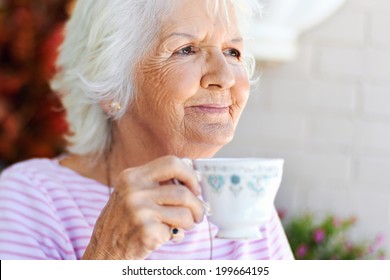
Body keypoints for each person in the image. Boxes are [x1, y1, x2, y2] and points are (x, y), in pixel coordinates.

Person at [0, 0, 294, 260]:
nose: (225, 76)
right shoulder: (29, 200)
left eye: (233, 51)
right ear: (111, 84)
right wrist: (109, 257)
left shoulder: (250, 203)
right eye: (186, 49)